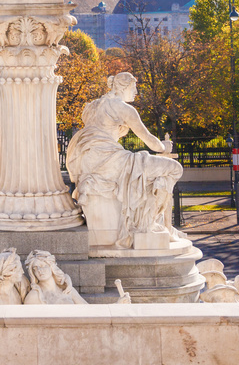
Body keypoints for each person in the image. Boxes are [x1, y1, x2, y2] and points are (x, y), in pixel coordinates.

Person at [66, 72, 183, 248]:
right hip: (109, 160)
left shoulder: (92, 107)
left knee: (152, 172)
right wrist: (165, 147)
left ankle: (153, 223)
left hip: (89, 160)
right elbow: (149, 139)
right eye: (134, 87)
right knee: (174, 169)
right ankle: (151, 225)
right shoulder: (123, 108)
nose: (136, 92)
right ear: (123, 87)